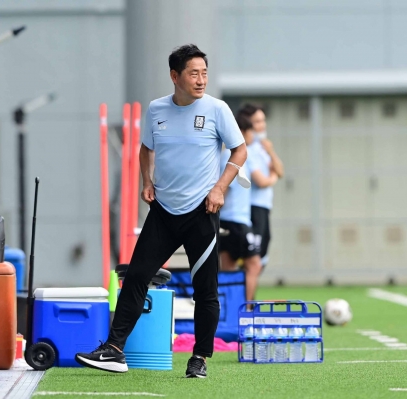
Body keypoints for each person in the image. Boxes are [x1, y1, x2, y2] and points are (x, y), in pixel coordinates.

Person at [75, 44, 247, 378]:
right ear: (175, 76)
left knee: (205, 290)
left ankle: (199, 357)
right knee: (136, 276)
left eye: (204, 73)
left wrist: (219, 187)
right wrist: (146, 181)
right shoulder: (156, 110)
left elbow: (239, 151)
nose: (200, 80)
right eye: (193, 73)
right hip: (163, 212)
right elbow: (146, 148)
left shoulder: (217, 110)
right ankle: (113, 349)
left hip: (202, 212)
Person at [219, 115, 261, 302]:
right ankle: (247, 309)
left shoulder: (225, 155)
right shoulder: (235, 156)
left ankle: (231, 314)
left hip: (226, 222)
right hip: (237, 221)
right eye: (251, 131)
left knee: (228, 267)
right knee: (254, 265)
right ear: (243, 132)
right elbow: (225, 187)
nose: (254, 135)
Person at [237, 104, 284, 269]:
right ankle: (244, 294)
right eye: (257, 122)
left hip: (264, 207)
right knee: (253, 259)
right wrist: (273, 177)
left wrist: (270, 151)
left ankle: (248, 293)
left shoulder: (262, 147)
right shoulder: (246, 150)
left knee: (261, 255)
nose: (262, 125)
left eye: (263, 121)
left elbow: (280, 171)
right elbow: (262, 181)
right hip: (252, 207)